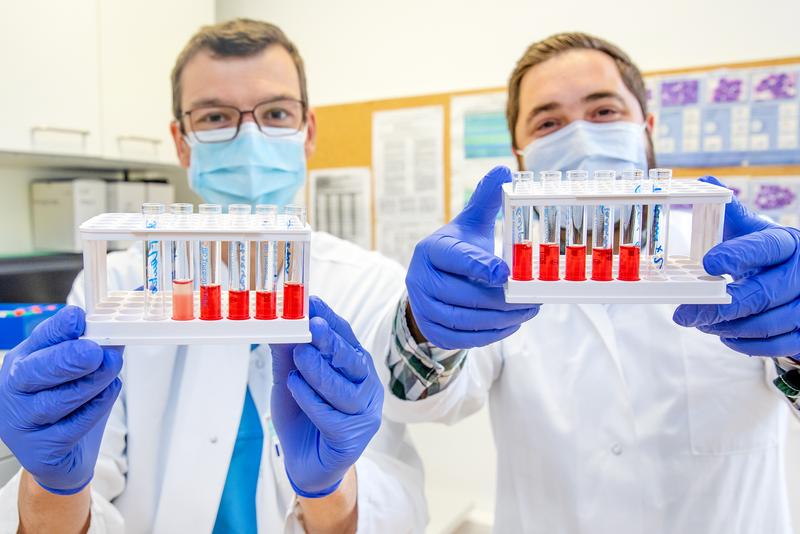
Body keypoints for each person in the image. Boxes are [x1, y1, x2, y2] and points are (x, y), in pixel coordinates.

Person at [0, 19, 426, 533]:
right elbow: (74, 513)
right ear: (182, 142)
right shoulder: (115, 285)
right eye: (215, 116)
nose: (248, 136)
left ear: (307, 132)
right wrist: (49, 487)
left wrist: (331, 491)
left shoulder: (373, 286)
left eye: (275, 113)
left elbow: (397, 509)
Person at [384, 32, 800, 532]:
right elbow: (421, 399)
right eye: (549, 122)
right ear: (521, 156)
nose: (580, 138)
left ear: (646, 129)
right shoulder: (500, 274)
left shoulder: (742, 262)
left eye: (603, 112)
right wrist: (424, 327)